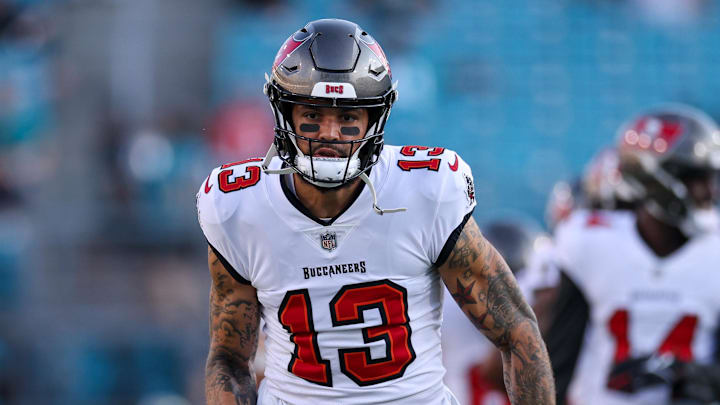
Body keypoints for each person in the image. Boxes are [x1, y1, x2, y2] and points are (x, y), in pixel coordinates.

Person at [196, 18, 554, 405]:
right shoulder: (239, 206)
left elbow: (516, 331)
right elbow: (230, 358)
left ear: (375, 119)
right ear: (285, 113)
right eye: (313, 115)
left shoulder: (425, 192)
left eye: (348, 118)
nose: (330, 133)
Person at [545, 104, 720, 405]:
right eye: (696, 179)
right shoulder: (591, 242)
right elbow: (556, 360)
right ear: (655, 179)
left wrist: (691, 375)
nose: (709, 192)